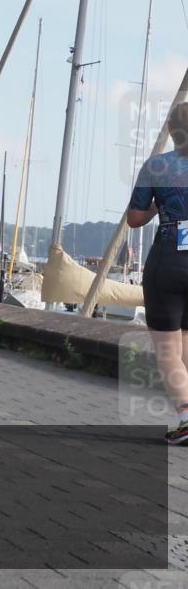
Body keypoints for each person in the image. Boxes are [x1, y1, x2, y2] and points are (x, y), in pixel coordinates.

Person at [128, 101, 188, 445]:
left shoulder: (157, 166)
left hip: (167, 261)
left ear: (171, 129)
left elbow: (135, 219)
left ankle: (185, 417)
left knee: (168, 349)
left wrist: (154, 208)